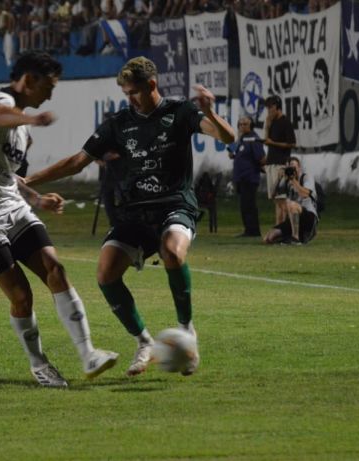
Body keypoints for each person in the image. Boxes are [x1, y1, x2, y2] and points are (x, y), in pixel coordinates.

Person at [25, 56, 235, 377]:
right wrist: (29, 182)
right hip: (135, 213)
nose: (130, 99)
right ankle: (144, 341)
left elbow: (227, 137)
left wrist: (208, 111)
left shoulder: (180, 112)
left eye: (134, 92)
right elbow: (78, 161)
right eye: (126, 93)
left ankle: (187, 330)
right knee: (105, 273)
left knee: (172, 251)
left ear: (152, 85)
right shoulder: (119, 123)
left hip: (175, 204)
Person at [0, 51, 118, 388]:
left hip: (11, 206)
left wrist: (37, 198)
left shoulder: (22, 134)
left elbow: (9, 177)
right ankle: (39, 364)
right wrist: (31, 120)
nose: (50, 95)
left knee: (55, 270)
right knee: (22, 296)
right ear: (28, 80)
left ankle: (88, 355)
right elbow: (0, 116)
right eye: (48, 87)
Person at [263, 157, 318, 245]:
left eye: (294, 167)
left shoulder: (305, 177)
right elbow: (273, 196)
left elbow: (305, 194)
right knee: (268, 238)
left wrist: (293, 180)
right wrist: (278, 179)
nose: (292, 170)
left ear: (299, 167)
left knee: (291, 204)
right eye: (289, 167)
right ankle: (287, 238)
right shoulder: (287, 182)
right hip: (294, 219)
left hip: (308, 218)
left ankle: (295, 238)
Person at [229, 116, 266, 237]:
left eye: (245, 124)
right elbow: (231, 154)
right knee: (244, 205)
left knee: (249, 205)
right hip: (240, 177)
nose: (242, 126)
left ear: (251, 125)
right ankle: (248, 229)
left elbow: (261, 158)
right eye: (240, 124)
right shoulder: (241, 139)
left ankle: (253, 231)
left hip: (249, 177)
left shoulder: (254, 139)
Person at [262, 94, 296, 226]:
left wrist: (274, 143)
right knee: (276, 199)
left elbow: (292, 143)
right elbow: (266, 141)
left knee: (282, 198)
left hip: (280, 163)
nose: (269, 110)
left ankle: (289, 226)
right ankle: (278, 226)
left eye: (270, 107)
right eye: (267, 108)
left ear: (277, 107)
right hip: (271, 162)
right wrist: (267, 126)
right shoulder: (272, 123)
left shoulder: (285, 122)